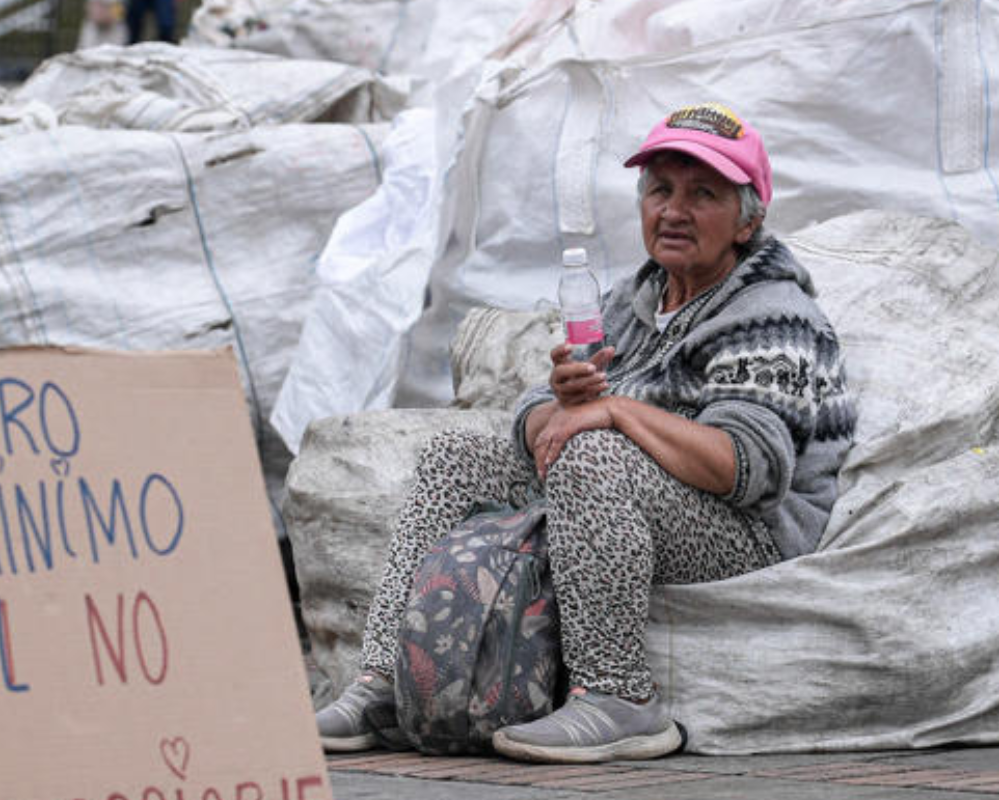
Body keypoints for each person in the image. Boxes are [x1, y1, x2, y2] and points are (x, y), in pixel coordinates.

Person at [315, 102, 857, 763]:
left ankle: (619, 697)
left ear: (748, 222)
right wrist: (561, 405)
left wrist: (615, 413)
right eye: (660, 190)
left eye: (703, 194)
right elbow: (540, 410)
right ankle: (383, 680)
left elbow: (746, 469)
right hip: (645, 490)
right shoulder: (640, 296)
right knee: (457, 453)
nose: (674, 211)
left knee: (595, 454)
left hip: (748, 529)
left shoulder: (768, 312)